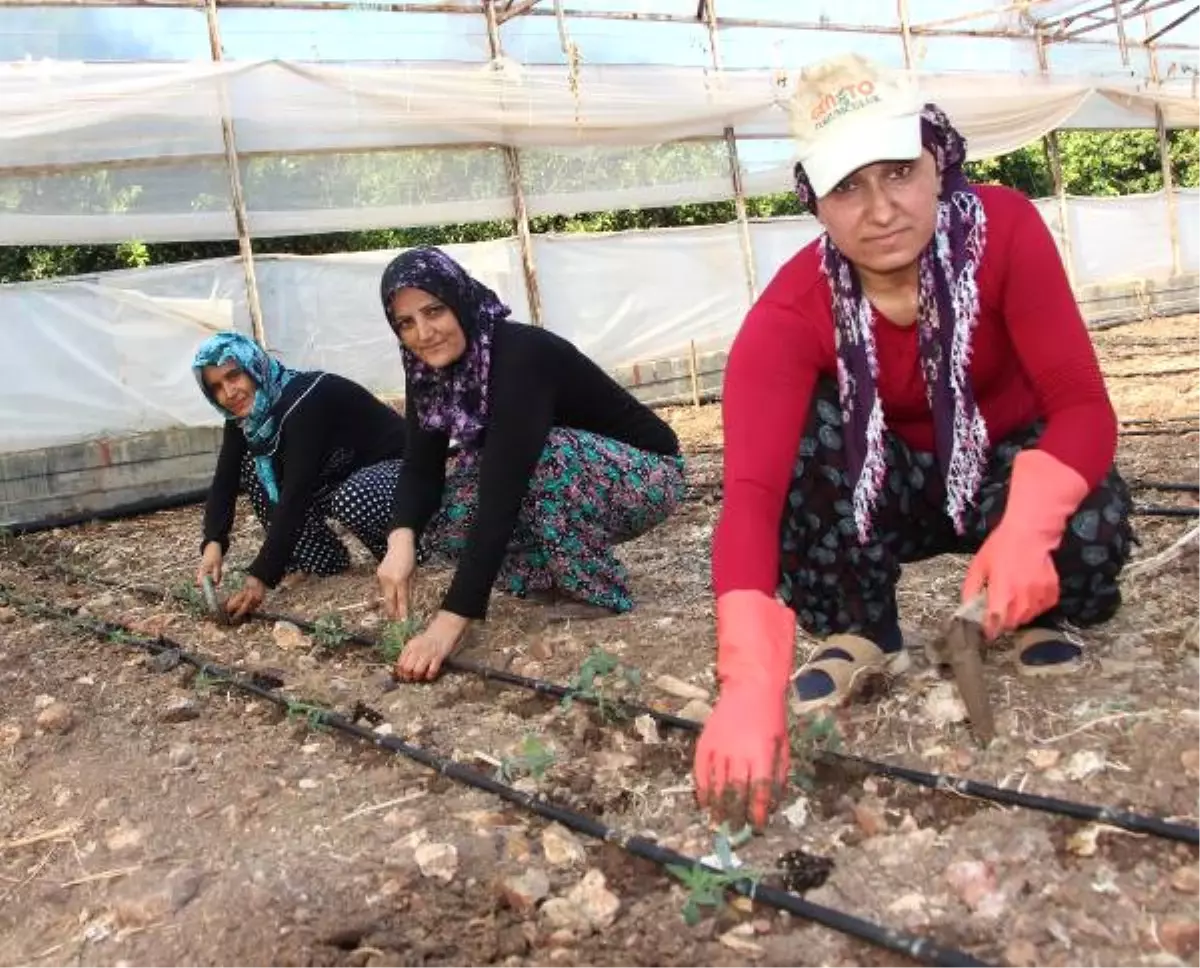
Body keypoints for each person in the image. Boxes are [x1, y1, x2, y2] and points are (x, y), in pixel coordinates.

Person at [693, 53, 1133, 829]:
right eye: (847, 187)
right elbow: (752, 499)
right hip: (885, 491)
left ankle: (1027, 606)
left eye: (898, 171)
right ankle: (863, 628)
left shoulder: (1006, 231)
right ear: (817, 204)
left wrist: (1032, 522)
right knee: (798, 434)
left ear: (939, 165)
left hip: (1003, 475)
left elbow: (1083, 406)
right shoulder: (790, 313)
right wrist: (749, 679)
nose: (880, 208)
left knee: (1088, 529)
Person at [374, 246, 686, 682]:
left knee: (542, 458)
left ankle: (596, 589)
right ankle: (550, 578)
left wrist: (448, 624)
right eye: (406, 323)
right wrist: (400, 539)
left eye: (435, 311)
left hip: (648, 474)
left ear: (459, 301)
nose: (424, 333)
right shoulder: (427, 370)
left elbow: (503, 491)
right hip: (563, 471)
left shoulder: (520, 354)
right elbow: (422, 467)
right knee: (446, 514)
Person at [194, 331, 408, 620]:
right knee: (253, 469)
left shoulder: (305, 400)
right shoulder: (248, 417)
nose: (229, 393)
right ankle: (324, 562)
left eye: (234, 376)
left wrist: (261, 576)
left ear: (254, 367)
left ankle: (407, 554)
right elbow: (226, 479)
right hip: (339, 475)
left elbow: (296, 492)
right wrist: (213, 542)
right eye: (216, 387)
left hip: (400, 472)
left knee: (352, 497)